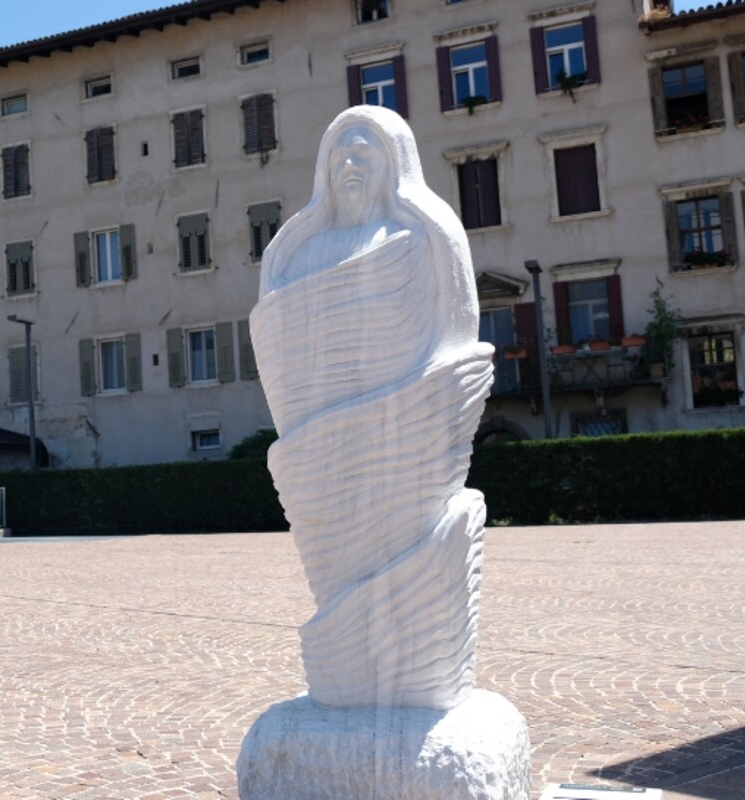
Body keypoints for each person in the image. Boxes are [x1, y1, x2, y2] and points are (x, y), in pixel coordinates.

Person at [250, 105, 495, 710]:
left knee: (416, 544)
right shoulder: (294, 254)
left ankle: (416, 677)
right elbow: (279, 346)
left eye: (366, 152)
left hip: (410, 444)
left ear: (394, 164)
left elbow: (457, 323)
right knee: (336, 565)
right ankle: (352, 675)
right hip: (323, 459)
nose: (351, 162)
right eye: (340, 152)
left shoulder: (422, 237)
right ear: (324, 167)